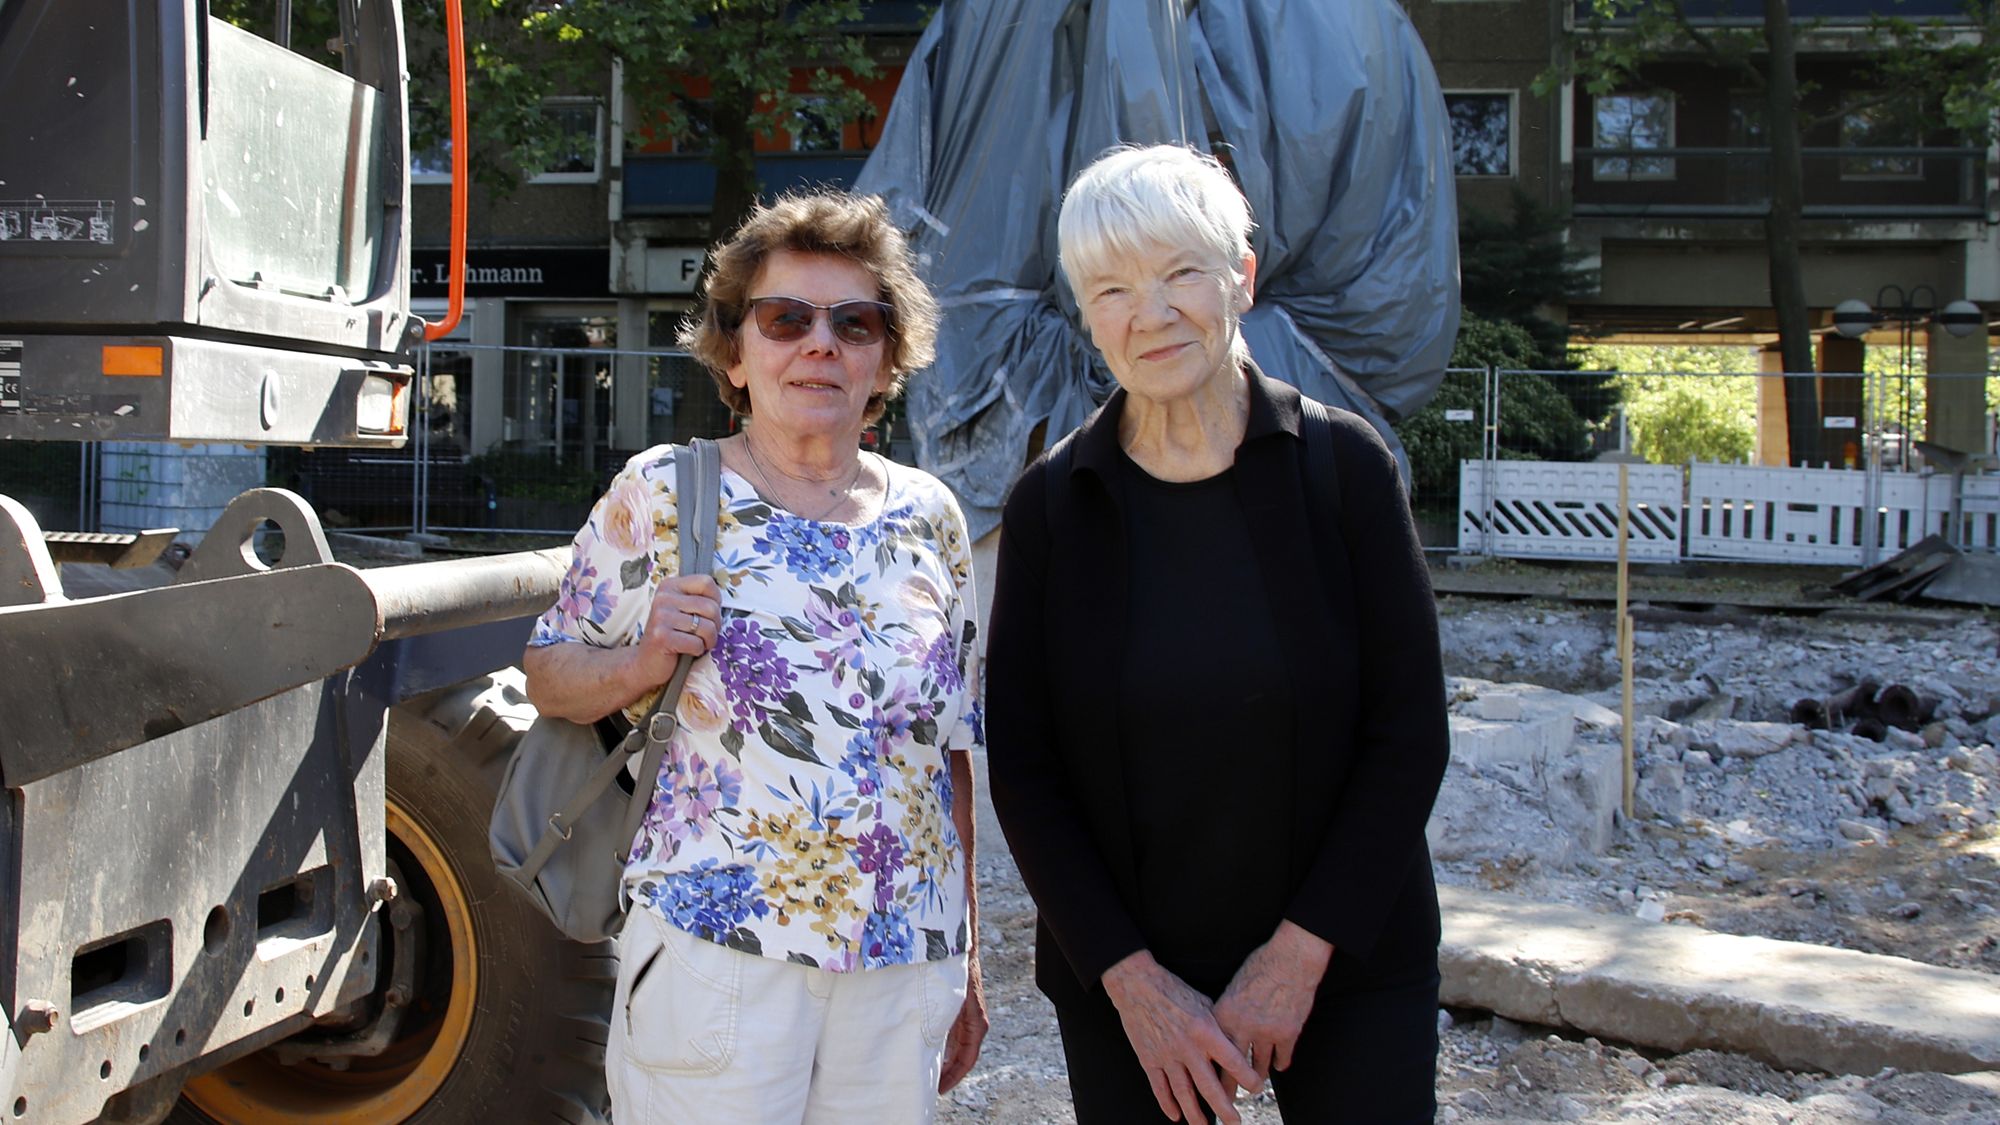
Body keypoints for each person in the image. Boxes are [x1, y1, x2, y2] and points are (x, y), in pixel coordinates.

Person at [986, 144, 1449, 1124]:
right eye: (1109, 288)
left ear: (1240, 276)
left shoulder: (1345, 471)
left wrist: (1297, 955)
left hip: (1346, 955)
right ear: (1084, 315)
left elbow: (1407, 733)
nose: (1148, 314)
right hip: (1131, 982)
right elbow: (1025, 770)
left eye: (1177, 273)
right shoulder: (1049, 510)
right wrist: (1132, 985)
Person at [521, 191, 987, 1123]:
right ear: (736, 351)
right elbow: (546, 673)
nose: (821, 344)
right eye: (786, 319)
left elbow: (952, 753)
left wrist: (968, 954)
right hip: (717, 956)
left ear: (886, 359)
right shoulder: (663, 492)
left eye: (855, 323)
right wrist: (640, 660)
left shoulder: (933, 516)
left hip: (903, 968)